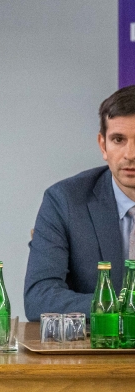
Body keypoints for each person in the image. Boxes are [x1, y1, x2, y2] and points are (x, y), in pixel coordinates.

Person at [24, 85, 135, 321]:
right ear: (103, 145)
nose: (130, 154)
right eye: (118, 140)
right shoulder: (65, 201)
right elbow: (39, 297)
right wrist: (119, 309)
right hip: (98, 342)